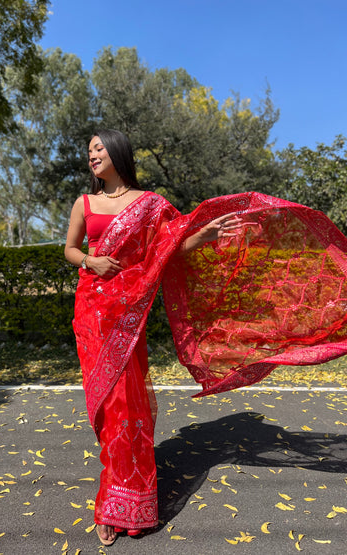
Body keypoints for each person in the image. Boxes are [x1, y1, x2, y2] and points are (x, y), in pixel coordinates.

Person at [65, 129, 347, 545]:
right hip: (93, 312)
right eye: (89, 151)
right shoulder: (84, 203)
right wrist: (91, 259)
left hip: (127, 315)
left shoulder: (150, 204)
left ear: (118, 153)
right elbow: (69, 249)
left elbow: (168, 251)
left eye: (99, 148)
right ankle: (115, 493)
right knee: (107, 406)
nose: (92, 156)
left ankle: (120, 501)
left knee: (128, 406)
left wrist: (205, 236)